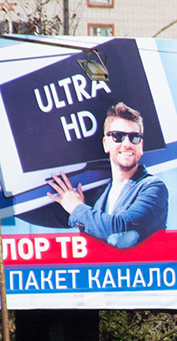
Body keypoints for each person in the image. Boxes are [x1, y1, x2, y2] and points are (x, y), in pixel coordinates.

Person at [47, 102, 168, 249]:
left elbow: (121, 234)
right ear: (106, 143)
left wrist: (77, 208)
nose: (127, 144)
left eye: (134, 137)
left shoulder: (152, 187)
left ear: (141, 146)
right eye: (118, 136)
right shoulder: (98, 195)